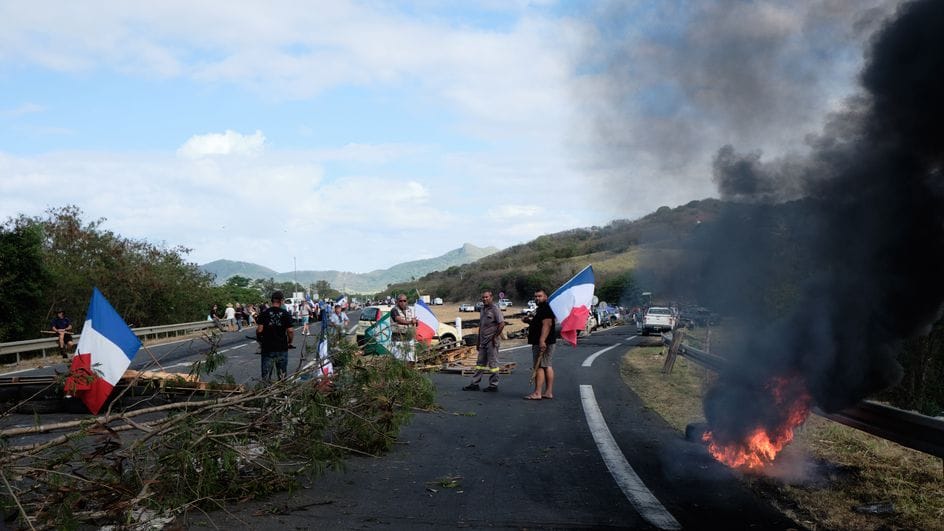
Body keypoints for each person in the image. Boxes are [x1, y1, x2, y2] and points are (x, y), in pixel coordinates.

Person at [463, 291, 505, 392]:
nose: (484, 299)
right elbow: (481, 327)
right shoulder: (482, 309)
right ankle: (475, 383)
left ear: (491, 297)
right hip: (483, 341)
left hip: (492, 341)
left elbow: (501, 324)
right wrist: (478, 342)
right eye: (483, 297)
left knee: (493, 364)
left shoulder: (495, 309)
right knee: (479, 363)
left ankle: (493, 385)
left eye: (486, 297)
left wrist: (495, 337)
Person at [522, 289, 557, 400]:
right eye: (536, 296)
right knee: (546, 366)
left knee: (540, 367)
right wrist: (529, 321)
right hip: (545, 341)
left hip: (543, 342)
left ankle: (537, 393)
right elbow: (540, 324)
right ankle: (548, 392)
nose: (537, 298)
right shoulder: (541, 308)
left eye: (540, 296)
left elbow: (547, 324)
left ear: (545, 297)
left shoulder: (546, 308)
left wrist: (542, 340)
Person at [255, 291, 295, 382]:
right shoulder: (285, 313)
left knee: (266, 374)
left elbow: (259, 330)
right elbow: (290, 331)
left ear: (271, 301)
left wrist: (259, 341)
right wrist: (290, 342)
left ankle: (266, 393)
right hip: (281, 347)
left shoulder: (264, 313)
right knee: (282, 374)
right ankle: (283, 393)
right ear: (281, 301)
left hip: (267, 347)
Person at [391, 294, 418, 362]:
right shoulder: (394, 310)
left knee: (411, 360)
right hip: (398, 339)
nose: (403, 302)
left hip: (409, 338)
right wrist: (410, 322)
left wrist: (416, 322)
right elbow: (398, 320)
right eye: (400, 301)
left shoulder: (409, 310)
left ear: (407, 301)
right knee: (399, 360)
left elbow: (413, 321)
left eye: (404, 301)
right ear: (397, 301)